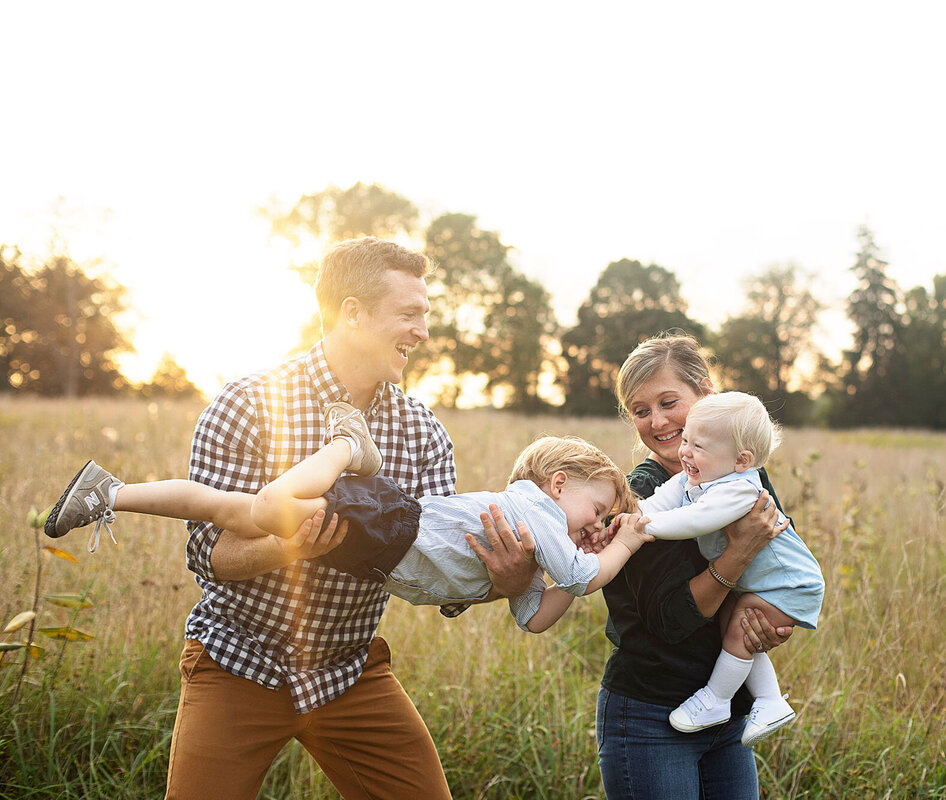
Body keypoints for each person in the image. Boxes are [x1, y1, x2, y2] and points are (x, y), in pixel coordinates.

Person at [73, 237, 538, 800]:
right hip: (240, 660)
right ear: (353, 313)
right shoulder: (246, 404)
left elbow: (438, 564)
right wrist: (289, 550)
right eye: (409, 314)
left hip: (349, 670)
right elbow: (210, 557)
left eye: (425, 316)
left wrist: (503, 583)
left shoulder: (423, 432)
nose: (422, 332)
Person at [45, 426, 650, 634]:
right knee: (259, 510)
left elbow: (532, 618)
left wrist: (556, 575)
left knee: (233, 509)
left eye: (602, 522)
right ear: (560, 483)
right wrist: (618, 543)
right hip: (388, 527)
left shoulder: (537, 539)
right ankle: (344, 447)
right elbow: (582, 575)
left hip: (379, 547)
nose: (594, 525)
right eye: (597, 511)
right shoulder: (539, 515)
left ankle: (112, 492)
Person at [594, 332, 801, 800]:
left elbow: (778, 559)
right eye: (641, 411)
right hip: (650, 716)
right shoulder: (636, 497)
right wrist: (738, 553)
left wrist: (767, 623)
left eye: (669, 402)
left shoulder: (742, 470)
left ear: (706, 393)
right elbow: (672, 620)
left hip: (728, 715)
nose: (658, 421)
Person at [635, 391, 824, 744]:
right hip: (766, 584)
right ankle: (768, 700)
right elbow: (660, 500)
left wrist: (644, 528)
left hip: (789, 584)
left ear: (741, 460)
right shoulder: (698, 477)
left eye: (698, 446)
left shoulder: (738, 489)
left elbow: (694, 520)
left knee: (740, 629)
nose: (685, 452)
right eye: (686, 441)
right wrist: (634, 516)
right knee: (735, 627)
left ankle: (717, 699)